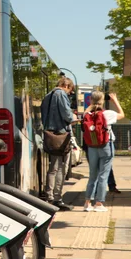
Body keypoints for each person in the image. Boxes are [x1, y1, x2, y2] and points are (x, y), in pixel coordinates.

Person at [83, 91, 125, 212]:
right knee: (103, 175)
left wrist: (91, 105)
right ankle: (99, 203)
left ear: (90, 100)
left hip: (92, 146)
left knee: (92, 175)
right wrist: (115, 100)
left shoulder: (87, 113)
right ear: (102, 101)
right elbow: (122, 114)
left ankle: (87, 203)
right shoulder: (108, 113)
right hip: (106, 145)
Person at [41, 76, 77, 211]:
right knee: (61, 167)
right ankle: (56, 198)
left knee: (53, 168)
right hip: (61, 135)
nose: (69, 93)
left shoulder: (47, 96)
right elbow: (67, 116)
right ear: (67, 86)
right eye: (70, 91)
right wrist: (73, 117)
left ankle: (49, 197)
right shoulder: (61, 94)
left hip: (49, 135)